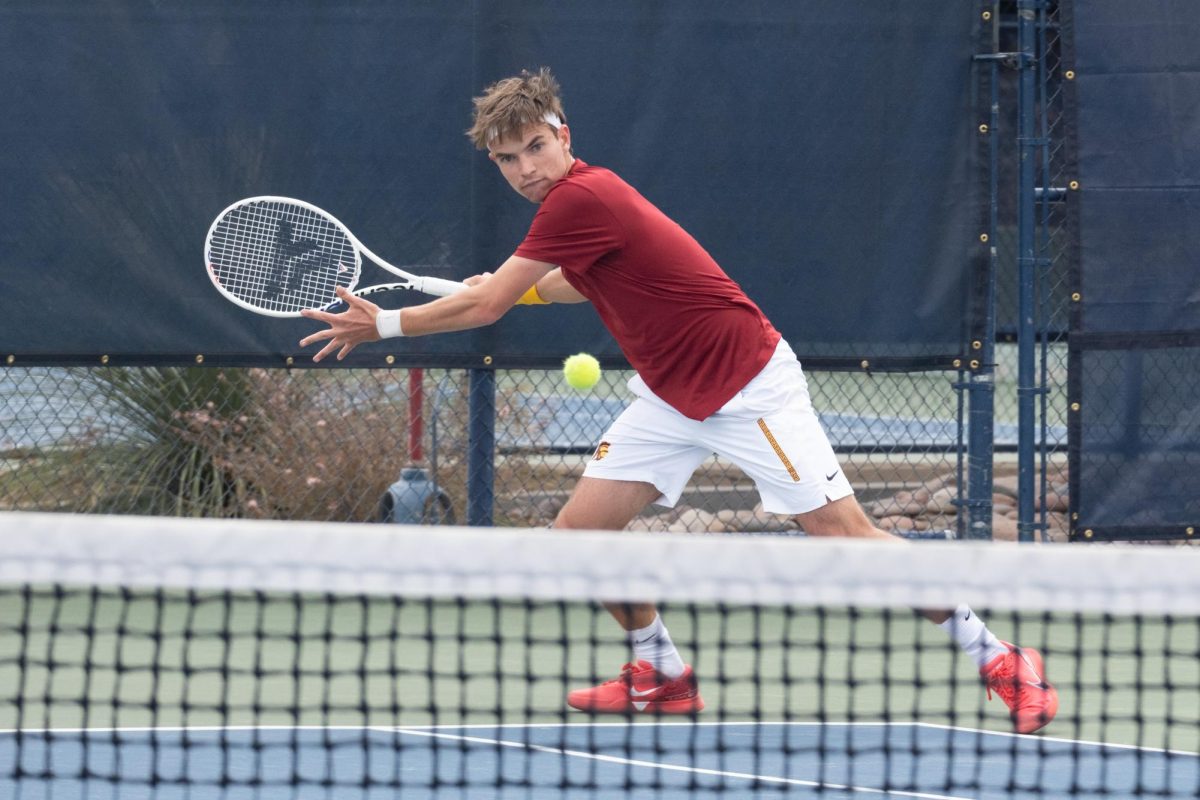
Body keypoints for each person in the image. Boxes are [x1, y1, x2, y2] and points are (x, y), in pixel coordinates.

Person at [299, 67, 1058, 734]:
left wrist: (386, 323)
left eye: (536, 146)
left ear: (565, 135)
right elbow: (561, 281)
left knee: (844, 538)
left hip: (747, 383)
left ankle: (1000, 658)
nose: (526, 167)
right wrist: (511, 291)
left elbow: (488, 308)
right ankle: (660, 673)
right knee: (578, 536)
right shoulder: (574, 208)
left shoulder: (580, 195)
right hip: (669, 396)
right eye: (507, 158)